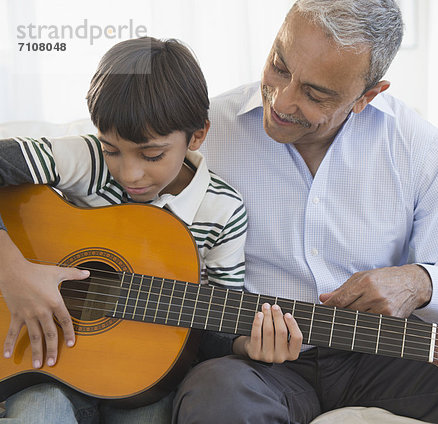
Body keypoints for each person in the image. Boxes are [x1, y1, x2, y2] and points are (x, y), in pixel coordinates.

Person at [173, 1, 438, 423]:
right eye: (279, 67)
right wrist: (237, 340)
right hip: (261, 368)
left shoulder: (416, 145)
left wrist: (419, 282)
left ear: (367, 96)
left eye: (315, 94)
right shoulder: (203, 133)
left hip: (389, 357)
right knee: (217, 393)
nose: (282, 100)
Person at [0, 37, 247, 422]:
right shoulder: (88, 161)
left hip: (142, 381)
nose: (128, 173)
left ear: (197, 136)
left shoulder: (221, 210)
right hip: (45, 364)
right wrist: (13, 271)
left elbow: (217, 330)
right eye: (112, 149)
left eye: (151, 155)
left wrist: (249, 342)